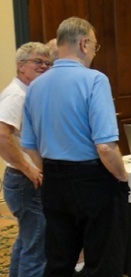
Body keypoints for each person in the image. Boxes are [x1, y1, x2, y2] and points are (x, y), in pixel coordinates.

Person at [21, 17, 129, 276]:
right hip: (93, 181)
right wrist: (122, 178)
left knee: (58, 260)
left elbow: (28, 145)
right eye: (94, 46)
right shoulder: (94, 80)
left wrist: (52, 170)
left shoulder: (35, 86)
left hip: (54, 182)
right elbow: (105, 146)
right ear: (83, 43)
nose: (93, 52)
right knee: (102, 261)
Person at [0, 42, 50, 277]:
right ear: (21, 66)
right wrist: (28, 169)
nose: (44, 66)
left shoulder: (28, 92)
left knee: (27, 240)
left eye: (47, 63)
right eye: (37, 61)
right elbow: (1, 135)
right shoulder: (17, 95)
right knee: (36, 249)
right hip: (23, 181)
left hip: (23, 179)